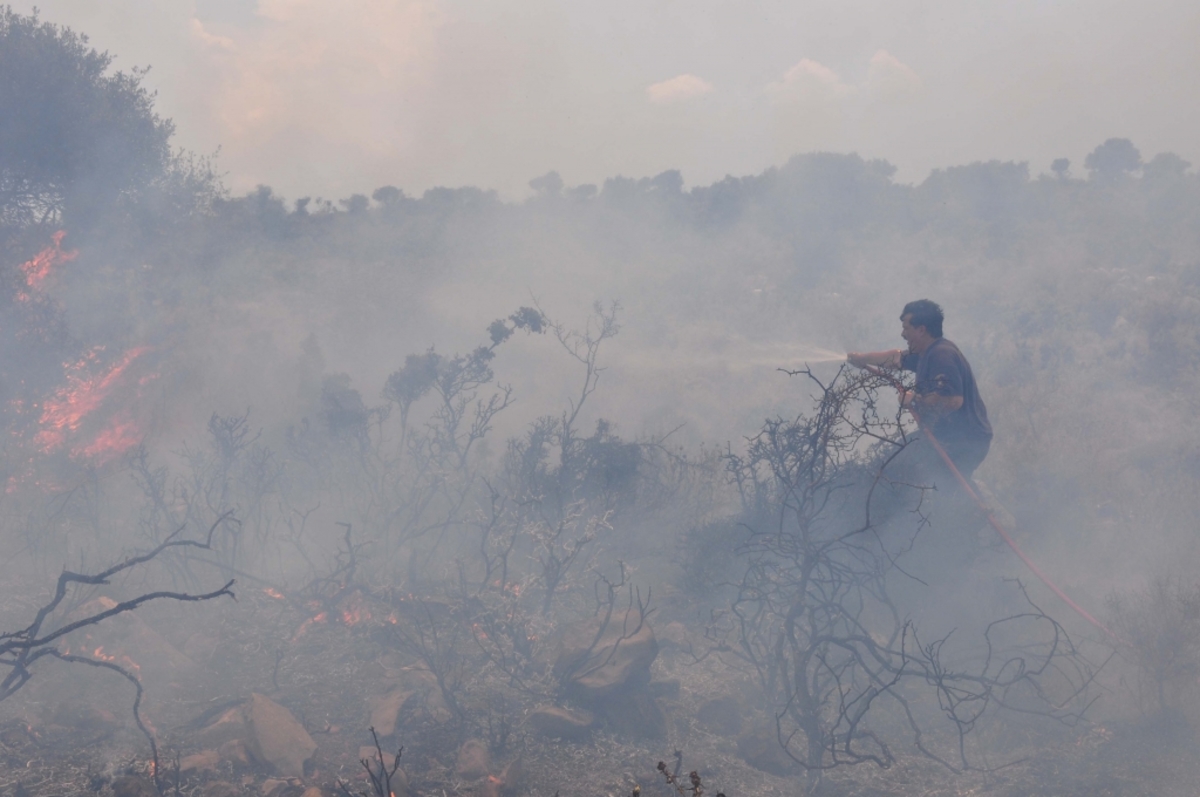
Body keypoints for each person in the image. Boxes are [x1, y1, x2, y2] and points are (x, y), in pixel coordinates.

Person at [847, 299, 992, 479]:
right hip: (948, 436)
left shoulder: (942, 355)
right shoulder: (925, 353)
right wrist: (863, 359)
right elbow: (895, 358)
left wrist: (915, 399)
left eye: (906, 328)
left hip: (964, 440)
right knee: (896, 459)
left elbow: (953, 400)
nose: (902, 334)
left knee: (939, 482)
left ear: (921, 330)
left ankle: (971, 504)